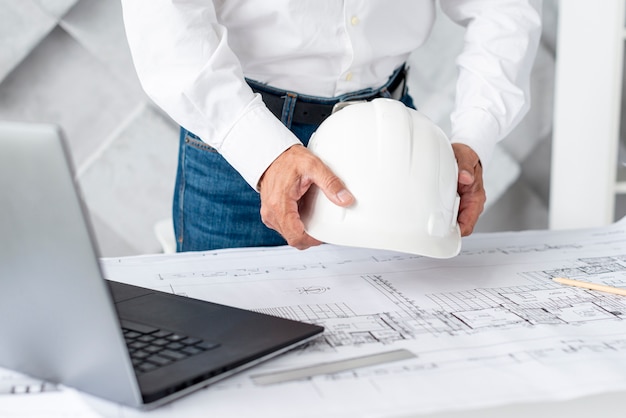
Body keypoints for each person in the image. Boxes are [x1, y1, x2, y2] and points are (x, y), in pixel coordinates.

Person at [120, 0, 542, 252]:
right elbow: (165, 21)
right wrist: (263, 152)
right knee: (224, 354)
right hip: (241, 140)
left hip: (393, 143)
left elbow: (503, 9)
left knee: (390, 364)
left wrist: (476, 131)